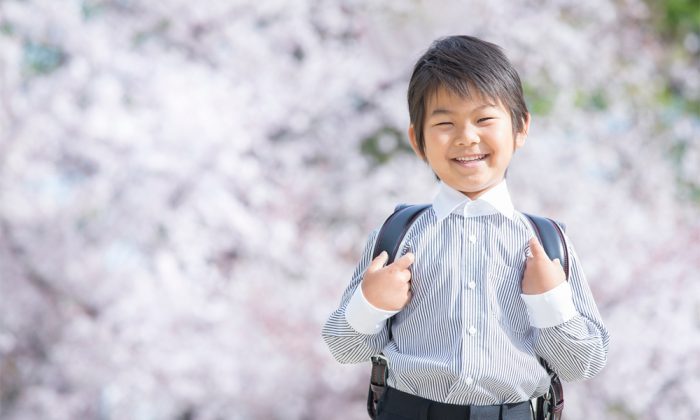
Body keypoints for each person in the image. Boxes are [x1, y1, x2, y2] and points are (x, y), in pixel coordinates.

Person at [322, 35, 609, 420]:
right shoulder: (397, 235)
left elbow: (582, 365)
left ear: (521, 127)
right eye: (444, 123)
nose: (466, 137)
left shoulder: (547, 243)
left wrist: (551, 302)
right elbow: (345, 348)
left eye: (485, 119)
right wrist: (370, 302)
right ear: (417, 140)